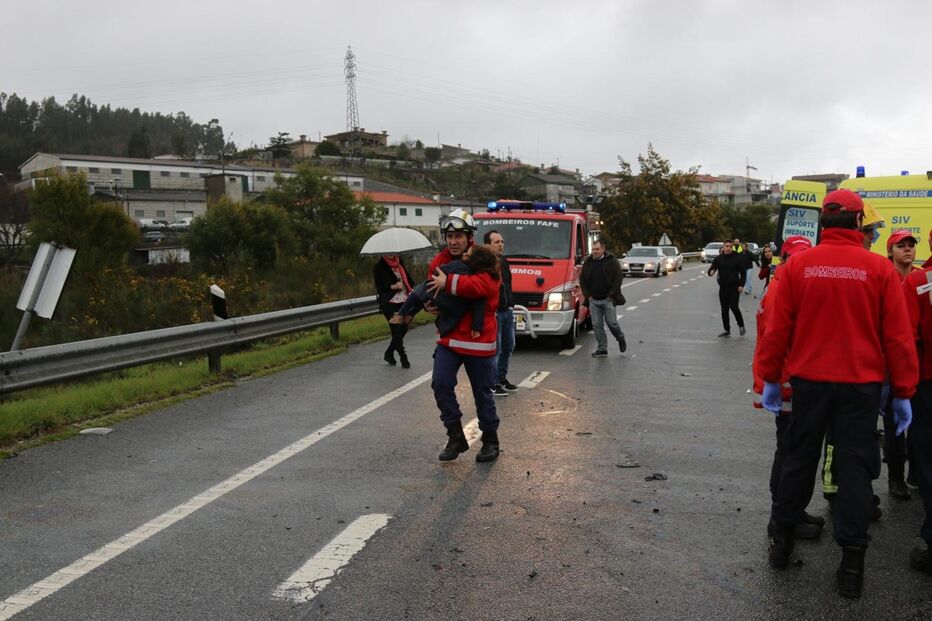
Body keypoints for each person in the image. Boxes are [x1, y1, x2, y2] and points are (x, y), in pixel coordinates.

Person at [757, 188, 918, 598]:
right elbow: (898, 339)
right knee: (854, 471)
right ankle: (851, 563)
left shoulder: (797, 267)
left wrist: (771, 377)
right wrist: (902, 392)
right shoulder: (878, 270)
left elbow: (777, 331)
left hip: (809, 383)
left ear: (823, 224)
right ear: (860, 223)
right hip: (860, 388)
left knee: (798, 460)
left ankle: (782, 543)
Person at [751, 235, 825, 540]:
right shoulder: (782, 287)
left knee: (794, 452)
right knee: (791, 453)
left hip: (790, 381)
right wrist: (779, 382)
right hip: (787, 384)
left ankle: (791, 510)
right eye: (796, 257)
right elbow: (775, 341)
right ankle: (783, 518)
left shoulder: (787, 283)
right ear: (785, 259)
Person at [428, 209, 503, 463]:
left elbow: (486, 287)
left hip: (479, 339)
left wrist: (449, 285)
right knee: (440, 383)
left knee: (483, 391)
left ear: (470, 237)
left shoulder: (484, 259)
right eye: (449, 235)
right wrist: (430, 304)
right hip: (450, 337)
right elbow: (431, 289)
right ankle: (455, 435)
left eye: (458, 235)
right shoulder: (439, 261)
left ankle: (490, 440)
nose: (453, 241)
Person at [901, 229, 932, 576]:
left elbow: (908, 338)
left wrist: (903, 390)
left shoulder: (919, 282)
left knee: (927, 461)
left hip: (927, 385)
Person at [390, 245, 497, 338]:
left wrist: (443, 279)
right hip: (452, 308)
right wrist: (477, 326)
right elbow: (479, 302)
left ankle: (401, 314)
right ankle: (409, 315)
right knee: (425, 294)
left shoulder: (457, 265)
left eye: (467, 254)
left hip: (439, 297)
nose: (464, 254)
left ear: (471, 259)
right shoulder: (479, 276)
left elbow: (439, 271)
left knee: (418, 291)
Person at [884, 230, 920, 500]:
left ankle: (916, 471)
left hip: (919, 361)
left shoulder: (922, 279)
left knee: (919, 421)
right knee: (894, 423)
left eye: (911, 245)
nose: (907, 249)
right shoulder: (885, 278)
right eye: (901, 246)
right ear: (891, 251)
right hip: (889, 363)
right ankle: (895, 477)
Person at [579, 239, 626, 357]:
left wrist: (612, 294)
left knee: (612, 323)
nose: (594, 252)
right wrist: (588, 296)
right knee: (596, 325)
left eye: (597, 249)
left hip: (608, 299)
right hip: (593, 300)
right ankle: (602, 348)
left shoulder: (611, 261)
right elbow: (582, 280)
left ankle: (620, 338)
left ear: (603, 249)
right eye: (593, 249)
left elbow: (618, 277)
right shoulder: (588, 262)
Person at [485, 230, 517, 396]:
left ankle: (501, 377)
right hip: (494, 312)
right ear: (487, 245)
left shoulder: (504, 262)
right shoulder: (484, 264)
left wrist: (511, 305)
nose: (500, 245)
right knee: (495, 349)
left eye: (502, 242)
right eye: (496, 242)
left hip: (507, 310)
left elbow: (508, 284)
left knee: (508, 346)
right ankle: (493, 383)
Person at [373, 254, 413, 368]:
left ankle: (389, 353)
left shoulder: (400, 263)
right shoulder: (379, 266)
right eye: (388, 252)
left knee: (403, 328)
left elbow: (409, 280)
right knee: (396, 329)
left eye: (393, 251)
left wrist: (407, 286)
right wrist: (393, 286)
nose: (391, 254)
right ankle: (403, 357)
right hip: (389, 301)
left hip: (404, 300)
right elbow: (380, 286)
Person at [707, 240, 746, 337]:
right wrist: (711, 272)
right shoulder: (719, 259)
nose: (728, 248)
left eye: (730, 246)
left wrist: (741, 285)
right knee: (724, 310)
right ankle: (727, 330)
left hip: (734, 288)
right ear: (723, 247)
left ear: (732, 247)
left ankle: (741, 325)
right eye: (727, 246)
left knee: (734, 307)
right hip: (723, 288)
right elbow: (712, 268)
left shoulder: (737, 258)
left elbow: (743, 273)